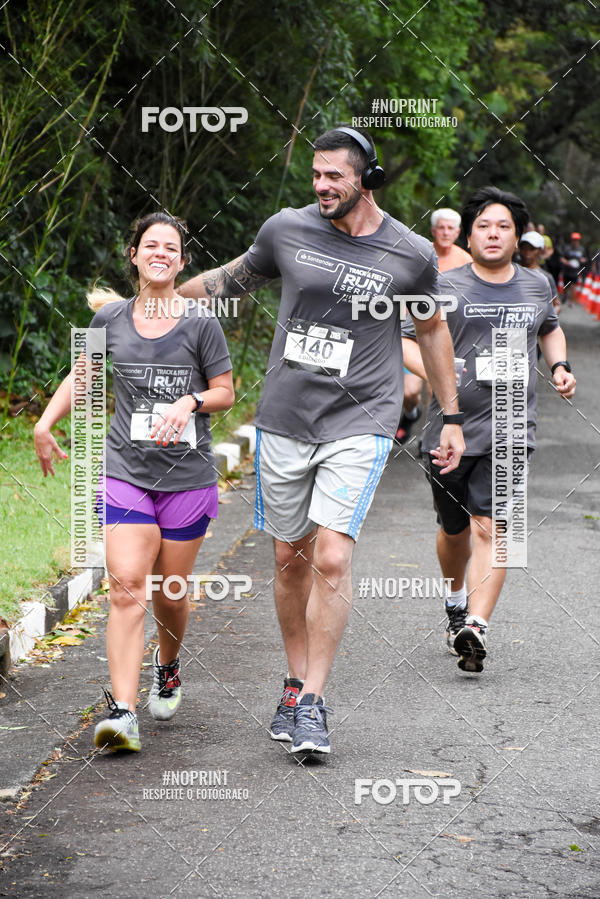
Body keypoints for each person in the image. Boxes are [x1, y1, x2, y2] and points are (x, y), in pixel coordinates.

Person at [179, 125, 465, 754]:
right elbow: (232, 279)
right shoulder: (286, 229)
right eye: (315, 174)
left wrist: (450, 415)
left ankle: (313, 701)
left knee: (332, 556)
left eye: (334, 175)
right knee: (290, 559)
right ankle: (292, 681)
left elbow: (432, 330)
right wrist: (159, 301)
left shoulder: (410, 252)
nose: (321, 186)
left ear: (367, 179)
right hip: (285, 417)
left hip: (360, 421)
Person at [34, 212, 235, 752]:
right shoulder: (110, 319)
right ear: (134, 254)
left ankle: (167, 665)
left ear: (182, 262)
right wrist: (44, 423)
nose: (160, 253)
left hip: (186, 477)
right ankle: (122, 713)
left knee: (170, 593)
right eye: (151, 245)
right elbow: (82, 375)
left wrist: (190, 401)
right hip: (125, 470)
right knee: (126, 585)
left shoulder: (201, 324)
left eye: (171, 247)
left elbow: (225, 392)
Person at [403, 186, 576, 673]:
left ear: (518, 236)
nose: (494, 234)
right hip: (450, 429)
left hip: (512, 426)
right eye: (484, 225)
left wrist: (559, 365)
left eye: (504, 226)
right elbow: (405, 341)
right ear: (468, 235)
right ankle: (455, 599)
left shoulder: (537, 284)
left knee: (493, 527)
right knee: (454, 529)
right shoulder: (441, 285)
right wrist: (439, 373)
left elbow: (549, 326)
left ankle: (475, 627)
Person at [396, 209, 472, 447]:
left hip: (447, 335)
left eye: (451, 228)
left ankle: (431, 438)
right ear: (433, 231)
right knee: (409, 393)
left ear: (457, 233)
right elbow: (402, 285)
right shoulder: (420, 254)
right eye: (442, 228)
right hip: (414, 333)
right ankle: (411, 414)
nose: (446, 232)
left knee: (437, 390)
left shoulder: (466, 261)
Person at [518, 230, 560, 316]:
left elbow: (556, 305)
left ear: (540, 250)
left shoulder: (546, 277)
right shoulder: (510, 273)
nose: (527, 252)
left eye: (532, 249)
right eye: (524, 248)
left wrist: (544, 320)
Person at [560, 231, 588, 304]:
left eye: (577, 240)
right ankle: (565, 295)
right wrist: (567, 262)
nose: (575, 241)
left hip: (576, 272)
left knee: (573, 286)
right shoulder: (567, 248)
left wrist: (583, 260)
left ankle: (571, 301)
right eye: (574, 240)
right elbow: (562, 258)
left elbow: (585, 258)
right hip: (567, 271)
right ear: (572, 240)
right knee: (566, 286)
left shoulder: (581, 249)